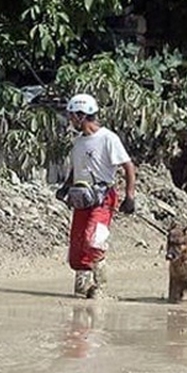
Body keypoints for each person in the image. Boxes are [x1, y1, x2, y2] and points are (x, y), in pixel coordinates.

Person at [55, 93, 136, 298]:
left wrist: (130, 196)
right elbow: (77, 169)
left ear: (82, 115)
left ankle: (101, 288)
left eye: (73, 116)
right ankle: (83, 286)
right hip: (81, 197)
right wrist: (66, 187)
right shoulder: (78, 142)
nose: (70, 119)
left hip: (102, 199)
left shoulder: (108, 138)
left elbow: (128, 166)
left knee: (94, 241)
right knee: (78, 244)